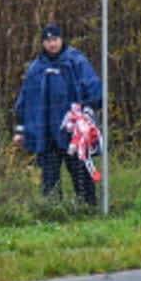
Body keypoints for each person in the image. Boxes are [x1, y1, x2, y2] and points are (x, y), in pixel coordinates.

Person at [13, 23, 102, 206]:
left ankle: (88, 206)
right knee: (49, 174)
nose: (52, 44)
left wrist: (88, 111)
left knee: (79, 170)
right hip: (46, 132)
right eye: (48, 41)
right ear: (43, 43)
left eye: (55, 39)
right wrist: (20, 129)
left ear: (61, 39)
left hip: (73, 132)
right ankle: (52, 209)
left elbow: (93, 89)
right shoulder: (36, 69)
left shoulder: (76, 61)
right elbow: (25, 100)